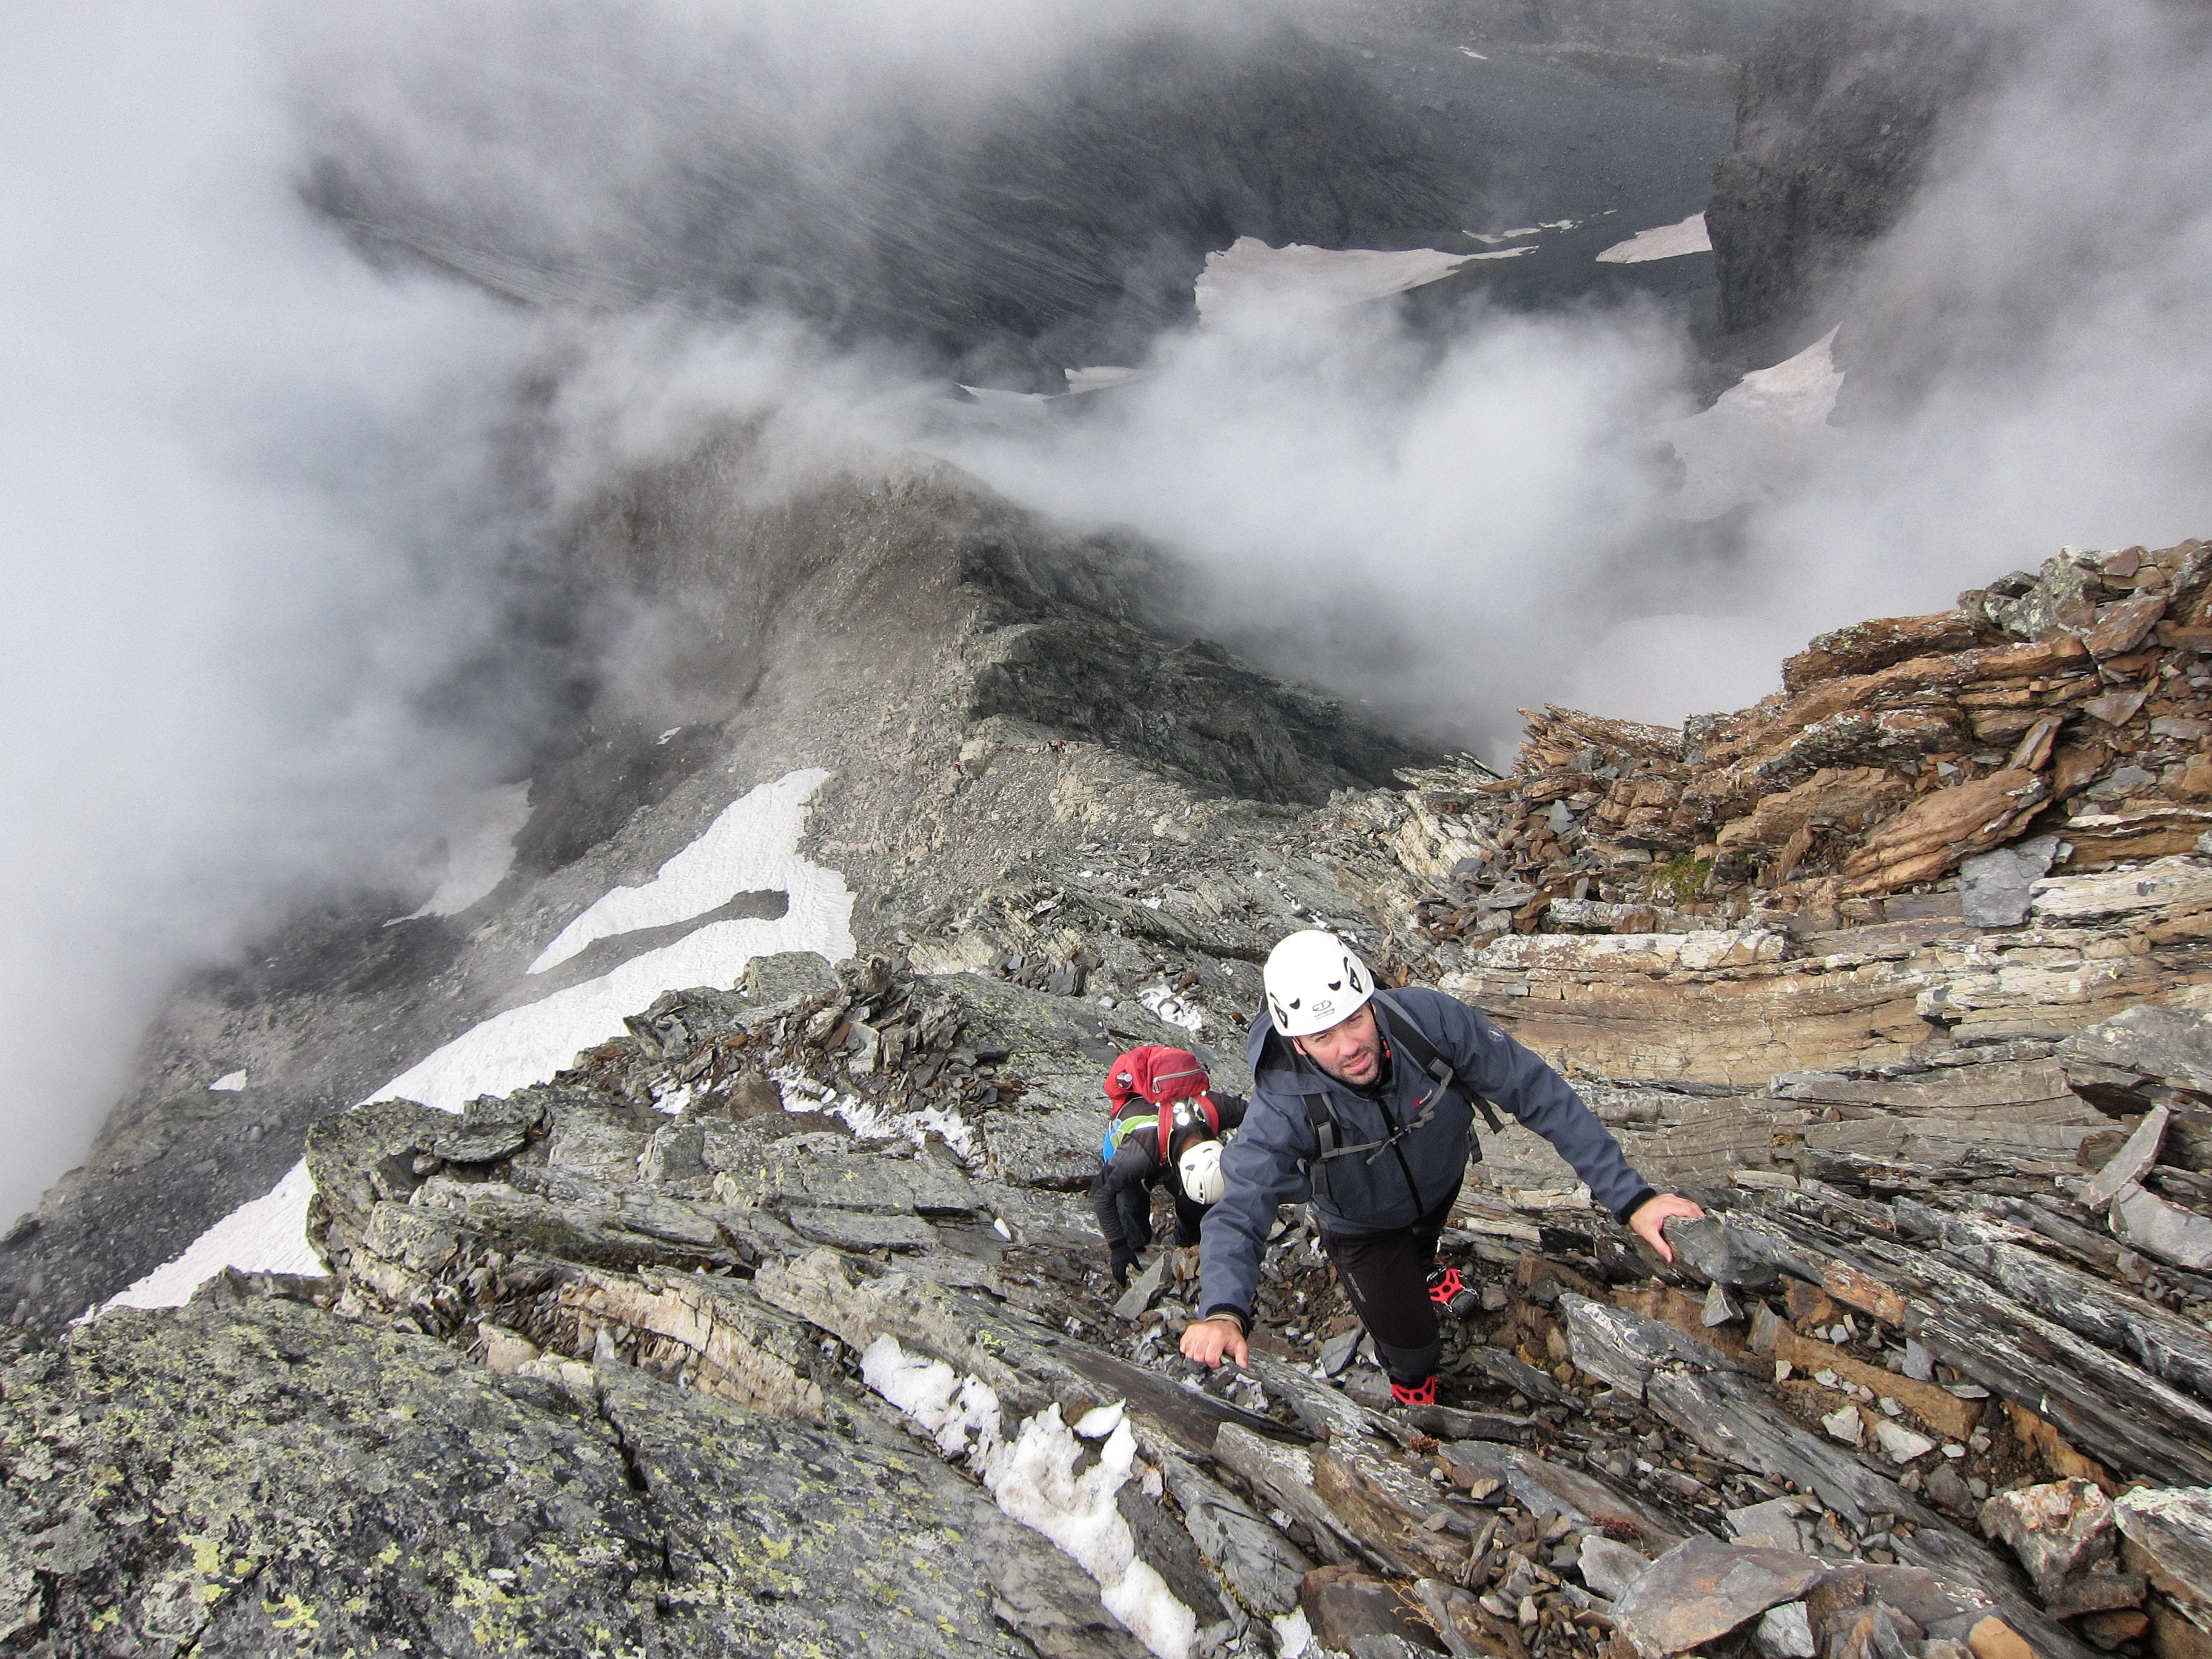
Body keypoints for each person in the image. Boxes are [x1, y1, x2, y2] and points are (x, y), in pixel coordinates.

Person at [1180, 929, 1705, 1406]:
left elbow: (1536, 1091)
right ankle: (1415, 1393)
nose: (1351, 1047)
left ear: (1369, 1000)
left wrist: (1632, 1198)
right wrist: (1224, 1311)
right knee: (1414, 1352)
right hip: (1361, 1230)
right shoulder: (1282, 1108)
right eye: (1324, 1038)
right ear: (1298, 1043)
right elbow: (1239, 1210)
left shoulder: (1427, 1022)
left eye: (1355, 1020)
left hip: (1438, 1185)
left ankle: (1426, 1269)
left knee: (1423, 1244)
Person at [1093, 1044, 1248, 1287]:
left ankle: (1187, 1242)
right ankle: (1138, 1245)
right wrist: (1118, 1245)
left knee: (1197, 1204)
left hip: (1168, 1147)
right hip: (1136, 1149)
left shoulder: (1216, 1108)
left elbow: (1257, 1117)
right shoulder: (1137, 1153)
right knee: (1131, 1204)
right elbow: (1102, 1193)